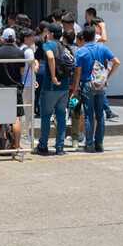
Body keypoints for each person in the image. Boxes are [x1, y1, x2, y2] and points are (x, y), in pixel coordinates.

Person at [71, 25, 119, 153]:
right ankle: (99, 144)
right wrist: (107, 76)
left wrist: (75, 89)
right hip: (100, 84)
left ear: (83, 37)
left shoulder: (80, 52)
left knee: (88, 115)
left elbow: (78, 73)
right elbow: (116, 62)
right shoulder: (102, 48)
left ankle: (89, 144)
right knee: (100, 115)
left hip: (87, 84)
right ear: (94, 36)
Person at [37, 23, 71, 155]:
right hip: (64, 86)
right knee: (61, 116)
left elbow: (50, 57)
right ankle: (60, 147)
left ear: (50, 33)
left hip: (51, 87)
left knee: (46, 116)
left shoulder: (48, 44)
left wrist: (52, 76)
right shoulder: (65, 46)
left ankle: (43, 145)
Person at [0, 27, 25, 150]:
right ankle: (17, 144)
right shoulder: (20, 53)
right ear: (14, 38)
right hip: (15, 87)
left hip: (0, 87)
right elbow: (22, 71)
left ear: (3, 39)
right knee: (16, 118)